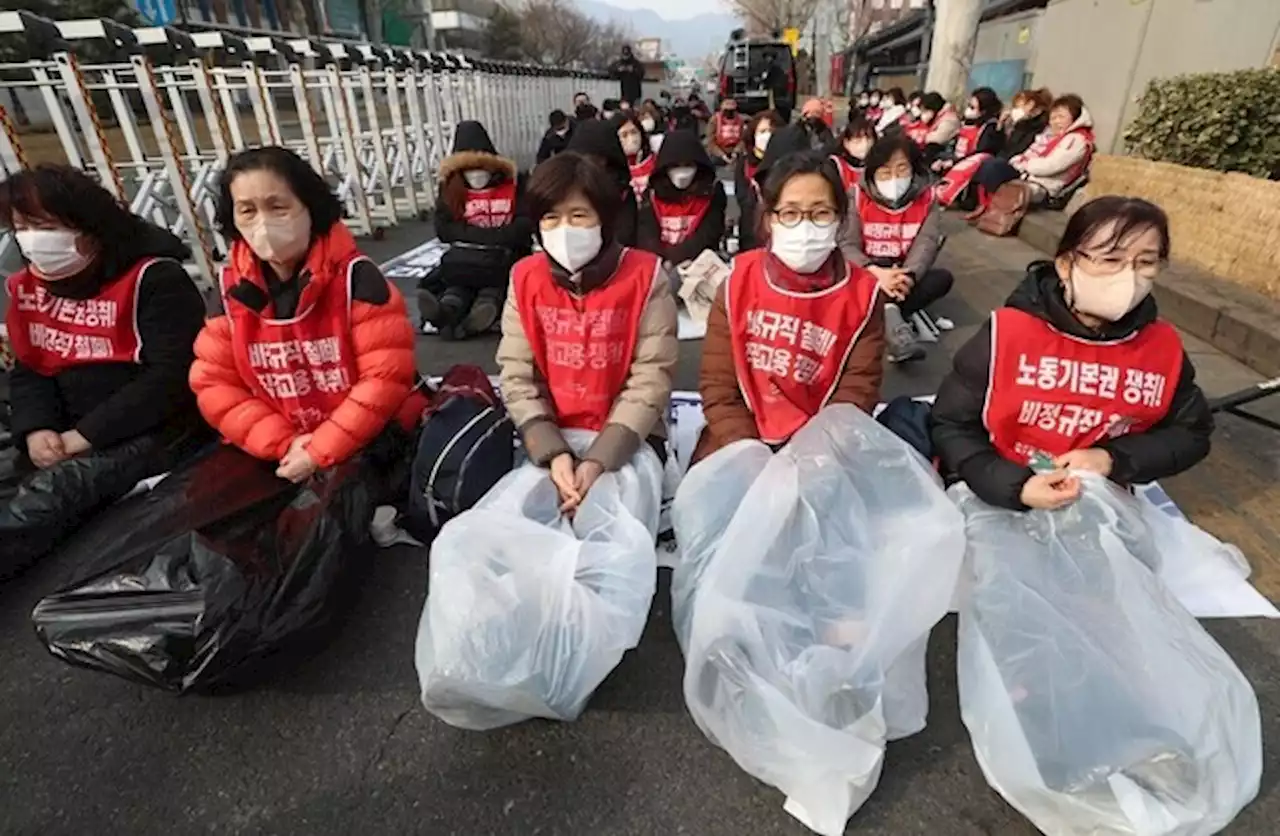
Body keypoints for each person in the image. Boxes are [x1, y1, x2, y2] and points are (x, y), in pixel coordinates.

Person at [931, 196, 1212, 512]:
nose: (1128, 276)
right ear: (1065, 265)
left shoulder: (1162, 348)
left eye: (1145, 262)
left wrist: (1113, 459)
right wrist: (1015, 485)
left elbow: (1192, 432)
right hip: (1001, 492)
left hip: (1097, 501)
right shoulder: (1007, 333)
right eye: (1110, 259)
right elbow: (951, 423)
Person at [0, 164, 207, 577]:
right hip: (64, 425)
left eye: (41, 225)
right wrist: (36, 429)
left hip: (150, 429)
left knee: (47, 500)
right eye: (20, 226)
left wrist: (84, 436)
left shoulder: (153, 279)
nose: (29, 239)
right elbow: (30, 366)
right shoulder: (30, 286)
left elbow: (170, 378)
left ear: (86, 224)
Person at [191, 146, 425, 485]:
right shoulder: (230, 293)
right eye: (247, 211)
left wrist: (321, 450)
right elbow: (214, 383)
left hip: (371, 437)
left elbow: (384, 378)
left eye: (277, 206)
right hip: (283, 445)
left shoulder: (356, 280)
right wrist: (284, 442)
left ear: (309, 207)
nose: (263, 224)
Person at [496, 151, 678, 510]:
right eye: (551, 218)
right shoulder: (524, 279)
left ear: (603, 220)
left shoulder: (645, 276)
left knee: (610, 515)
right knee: (521, 521)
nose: (565, 230)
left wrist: (598, 461)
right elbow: (517, 376)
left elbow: (651, 378)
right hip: (554, 432)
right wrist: (553, 452)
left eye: (579, 216)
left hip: (628, 437)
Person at [692, 150, 885, 463]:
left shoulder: (864, 295)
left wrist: (814, 455)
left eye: (821, 213)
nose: (805, 227)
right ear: (770, 219)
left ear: (839, 219)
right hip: (741, 441)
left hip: (824, 450)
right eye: (790, 213)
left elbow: (858, 389)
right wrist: (749, 454)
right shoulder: (737, 284)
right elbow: (719, 388)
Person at [841, 135, 953, 364]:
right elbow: (846, 245)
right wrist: (874, 272)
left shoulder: (927, 199)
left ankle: (883, 315)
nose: (894, 178)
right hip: (866, 271)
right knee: (851, 284)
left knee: (941, 279)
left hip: (900, 274)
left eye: (902, 169)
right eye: (885, 172)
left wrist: (909, 276)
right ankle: (896, 328)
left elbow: (926, 243)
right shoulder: (857, 196)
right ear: (873, 173)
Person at [419, 121, 534, 339]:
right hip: (466, 261)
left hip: (502, 261)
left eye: (481, 169)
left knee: (491, 291)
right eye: (469, 170)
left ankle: (477, 316)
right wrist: (493, 237)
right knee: (457, 288)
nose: (476, 175)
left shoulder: (514, 185)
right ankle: (445, 311)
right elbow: (443, 229)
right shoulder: (450, 189)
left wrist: (475, 236)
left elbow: (524, 225)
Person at [969, 93, 1095, 217]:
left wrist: (1025, 164)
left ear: (1074, 118)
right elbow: (1028, 153)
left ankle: (987, 208)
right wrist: (1019, 161)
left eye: (1061, 117)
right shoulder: (1054, 136)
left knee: (994, 167)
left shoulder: (1077, 140)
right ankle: (984, 206)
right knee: (988, 164)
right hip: (1028, 175)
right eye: (1053, 118)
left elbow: (1052, 166)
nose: (1056, 122)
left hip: (1042, 186)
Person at [636, 129, 727, 270]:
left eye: (688, 165)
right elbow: (647, 233)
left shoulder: (713, 193)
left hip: (699, 264)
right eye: (675, 166)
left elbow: (709, 234)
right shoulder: (652, 195)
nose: (682, 173)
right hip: (658, 264)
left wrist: (675, 258)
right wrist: (661, 260)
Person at [566, 119, 639, 246]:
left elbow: (625, 235)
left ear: (606, 160)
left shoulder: (621, 192)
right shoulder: (567, 188)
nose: (585, 165)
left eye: (592, 159)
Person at [932, 87, 1005, 209]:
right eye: (969, 105)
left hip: (971, 162)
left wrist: (953, 162)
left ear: (983, 111)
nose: (968, 110)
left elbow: (980, 152)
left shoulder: (990, 127)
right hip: (959, 156)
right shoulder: (967, 122)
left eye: (972, 107)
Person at [733, 110, 781, 245]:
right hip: (751, 232)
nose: (767, 135)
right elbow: (742, 198)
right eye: (762, 131)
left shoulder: (786, 163)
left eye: (772, 131)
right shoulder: (744, 163)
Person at [1000, 88, 1052, 160]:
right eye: (1015, 107)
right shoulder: (1020, 124)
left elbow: (1019, 150)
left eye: (1020, 107)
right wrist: (1001, 125)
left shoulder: (1041, 128)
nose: (1016, 110)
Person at [617, 112, 657, 201]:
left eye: (634, 132)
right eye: (624, 135)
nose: (631, 138)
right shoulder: (612, 168)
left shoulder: (657, 161)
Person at [832, 116, 877, 194]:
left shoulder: (879, 164)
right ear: (846, 143)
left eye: (869, 139)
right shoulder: (835, 166)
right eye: (858, 140)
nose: (865, 144)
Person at [917, 91, 960, 159]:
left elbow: (938, 139)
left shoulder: (950, 120)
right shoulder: (938, 118)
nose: (923, 114)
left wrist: (920, 137)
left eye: (925, 111)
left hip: (943, 155)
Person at [705, 97, 745, 163]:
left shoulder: (740, 120)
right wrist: (722, 155)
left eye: (731, 110)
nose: (729, 113)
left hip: (736, 152)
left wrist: (736, 151)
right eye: (727, 110)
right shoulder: (715, 120)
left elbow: (743, 139)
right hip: (718, 152)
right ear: (722, 110)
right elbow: (710, 141)